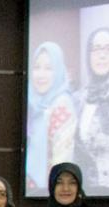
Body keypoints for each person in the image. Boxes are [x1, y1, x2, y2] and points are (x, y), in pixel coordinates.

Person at [26, 41, 75, 193]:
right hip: (28, 186)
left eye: (48, 68)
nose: (41, 74)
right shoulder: (31, 103)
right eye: (37, 67)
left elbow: (62, 161)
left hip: (50, 192)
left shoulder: (62, 105)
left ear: (59, 71)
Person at [77, 28, 109, 193]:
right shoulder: (81, 98)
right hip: (89, 193)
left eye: (108, 49)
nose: (102, 55)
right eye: (96, 49)